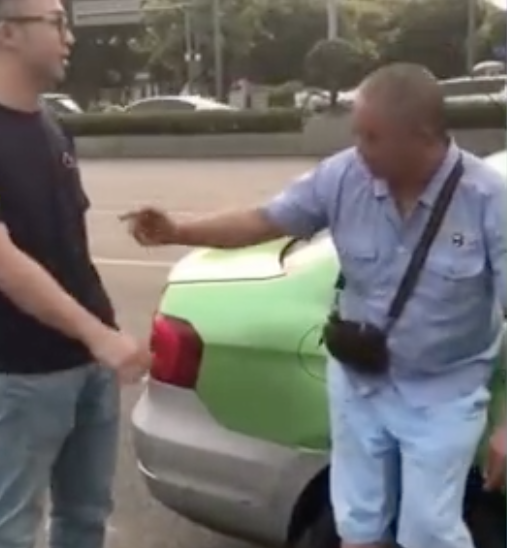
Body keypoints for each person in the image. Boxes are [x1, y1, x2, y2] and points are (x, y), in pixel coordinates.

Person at [124, 62, 507, 548]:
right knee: (358, 525)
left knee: (428, 530)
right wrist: (177, 230)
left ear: (422, 135)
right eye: (357, 133)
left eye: (372, 137)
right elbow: (263, 220)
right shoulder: (344, 175)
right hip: (360, 385)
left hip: (442, 393)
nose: (358, 148)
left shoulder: (489, 199)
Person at [0, 0, 152, 547]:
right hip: (20, 373)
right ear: (8, 33)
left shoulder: (51, 126)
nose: (70, 36)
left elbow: (69, 248)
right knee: (12, 524)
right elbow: (5, 262)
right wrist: (99, 336)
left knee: (86, 516)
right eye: (57, 22)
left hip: (89, 365)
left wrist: (101, 336)